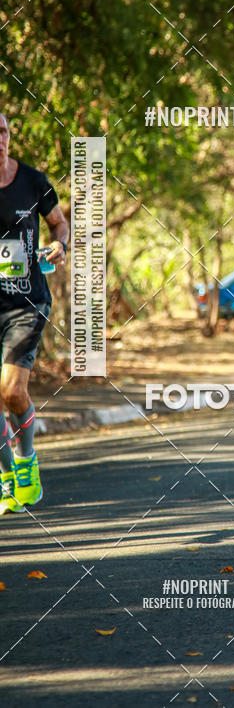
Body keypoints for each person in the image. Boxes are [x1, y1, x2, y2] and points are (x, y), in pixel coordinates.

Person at [0, 114, 69, 514]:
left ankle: (26, 462)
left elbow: (59, 224)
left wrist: (60, 246)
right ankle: (8, 478)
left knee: (11, 391)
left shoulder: (33, 181)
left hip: (26, 302)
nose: (0, 139)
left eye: (4, 131)